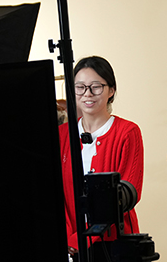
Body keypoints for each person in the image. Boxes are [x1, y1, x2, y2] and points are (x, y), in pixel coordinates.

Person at [59, 56, 144, 249]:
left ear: (111, 90)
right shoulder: (62, 135)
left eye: (96, 87)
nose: (87, 94)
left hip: (114, 243)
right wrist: (68, 240)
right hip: (70, 245)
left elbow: (127, 194)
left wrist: (80, 240)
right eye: (80, 87)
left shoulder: (127, 132)